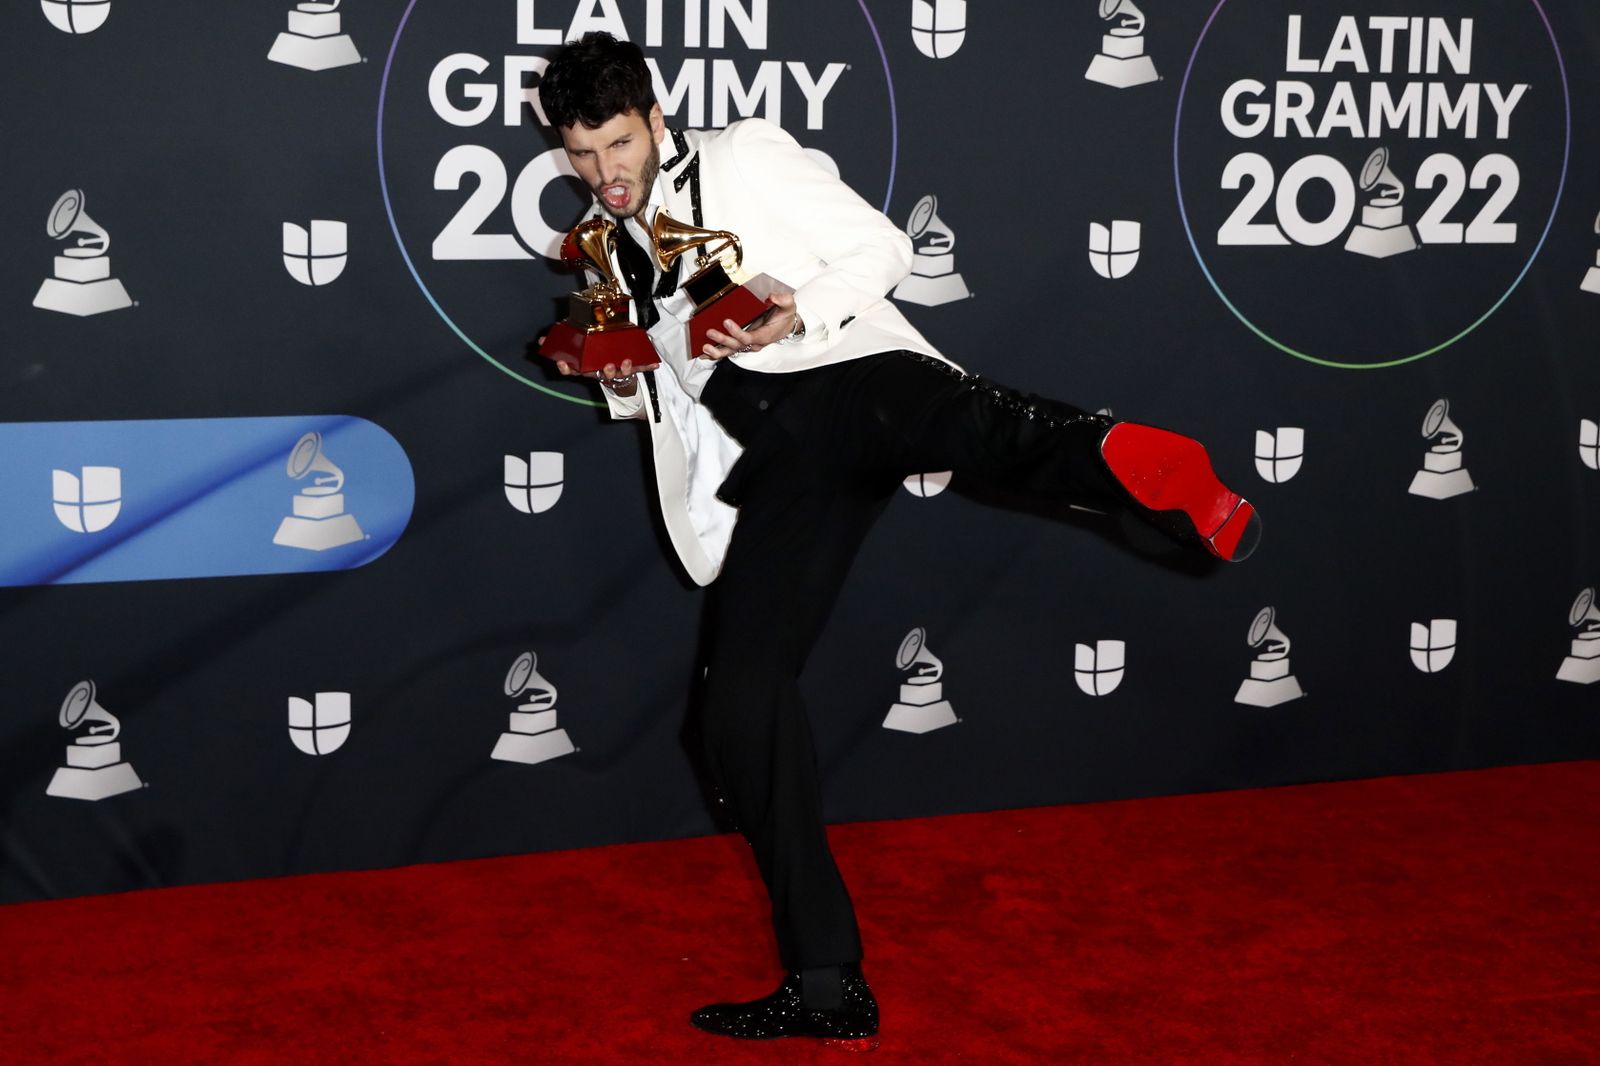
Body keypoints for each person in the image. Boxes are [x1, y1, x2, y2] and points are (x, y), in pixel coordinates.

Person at [537, 31, 1259, 1049]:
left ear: (654, 119)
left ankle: (1140, 462)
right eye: (579, 153)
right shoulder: (605, 249)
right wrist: (615, 377)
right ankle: (828, 986)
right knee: (737, 714)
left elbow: (883, 248)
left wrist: (795, 313)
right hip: (780, 457)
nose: (603, 172)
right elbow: (664, 388)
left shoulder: (745, 155)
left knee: (982, 425)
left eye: (616, 142)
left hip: (847, 373)